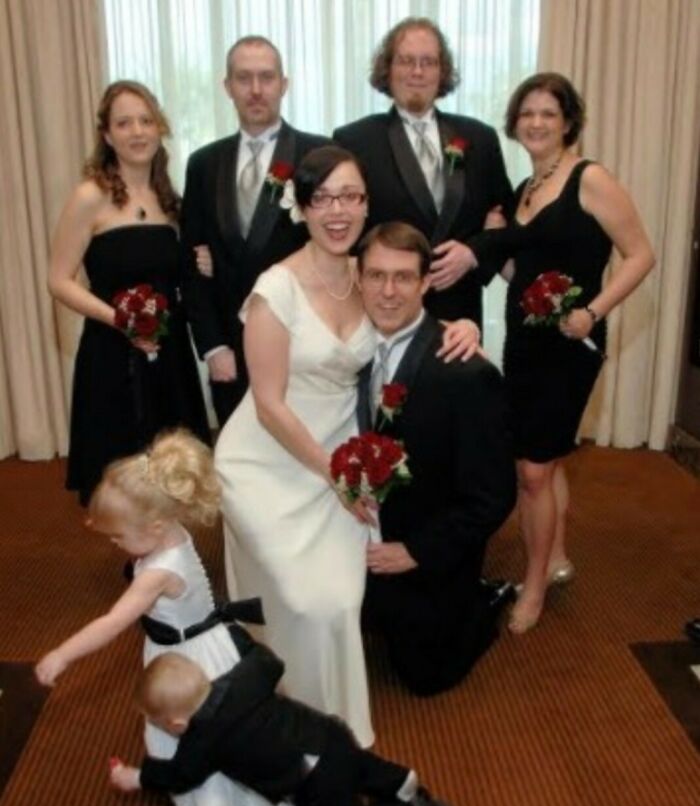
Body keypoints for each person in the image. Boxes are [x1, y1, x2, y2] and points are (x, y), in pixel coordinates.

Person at [215, 146, 479, 747]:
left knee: (337, 600)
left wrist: (464, 326)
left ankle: (333, 728)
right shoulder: (275, 290)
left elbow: (409, 316)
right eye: (324, 198)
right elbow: (268, 404)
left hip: (346, 451)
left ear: (365, 204)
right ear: (302, 207)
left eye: (351, 197)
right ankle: (282, 712)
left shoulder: (366, 274)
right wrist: (333, 473)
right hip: (269, 460)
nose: (338, 211)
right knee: (299, 600)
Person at [35, 429, 296, 806]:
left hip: (186, 659)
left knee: (195, 737)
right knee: (217, 732)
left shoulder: (157, 573)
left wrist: (62, 655)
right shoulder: (172, 528)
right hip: (193, 643)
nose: (116, 545)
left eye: (119, 537)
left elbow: (112, 622)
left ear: (154, 527)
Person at [471, 72, 655, 633]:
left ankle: (532, 589)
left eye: (548, 113)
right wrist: (495, 238)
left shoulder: (589, 178)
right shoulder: (525, 189)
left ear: (568, 121)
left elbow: (641, 255)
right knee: (544, 459)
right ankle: (554, 556)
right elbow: (520, 273)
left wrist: (593, 311)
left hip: (570, 346)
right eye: (527, 113)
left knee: (532, 470)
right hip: (525, 341)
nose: (536, 122)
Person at [356, 222, 517, 695]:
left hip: (427, 550)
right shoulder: (344, 350)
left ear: (426, 282)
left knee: (426, 678)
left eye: (404, 277)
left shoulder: (466, 374)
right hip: (359, 535)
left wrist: (416, 552)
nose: (388, 292)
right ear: (358, 279)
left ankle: (486, 600)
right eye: (376, 276)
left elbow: (493, 497)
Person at [109, 648, 456, 806]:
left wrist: (136, 776)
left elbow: (180, 776)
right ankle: (398, 779)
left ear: (177, 723)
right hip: (329, 734)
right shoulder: (242, 678)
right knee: (359, 766)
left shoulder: (201, 741)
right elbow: (269, 661)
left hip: (311, 778)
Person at [48, 80, 210, 506]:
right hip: (112, 351)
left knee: (172, 468)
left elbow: (181, 273)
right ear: (107, 135)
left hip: (169, 353)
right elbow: (58, 280)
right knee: (120, 475)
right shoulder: (90, 197)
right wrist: (121, 321)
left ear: (159, 128)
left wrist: (202, 262)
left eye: (145, 120)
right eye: (124, 123)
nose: (137, 131)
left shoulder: (169, 199)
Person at [181, 36, 330, 425]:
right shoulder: (203, 164)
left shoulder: (319, 155)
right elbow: (190, 265)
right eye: (244, 78)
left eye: (267, 77)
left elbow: (336, 249)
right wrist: (213, 346)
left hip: (301, 347)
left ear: (284, 84)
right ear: (227, 86)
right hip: (230, 349)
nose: (256, 89)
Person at [333, 16, 513, 328]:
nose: (417, 72)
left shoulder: (480, 139)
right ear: (388, 69)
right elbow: (343, 228)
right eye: (406, 61)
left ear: (442, 72)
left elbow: (507, 220)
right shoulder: (354, 141)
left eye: (428, 62)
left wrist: (473, 253)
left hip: (460, 317)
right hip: (383, 314)